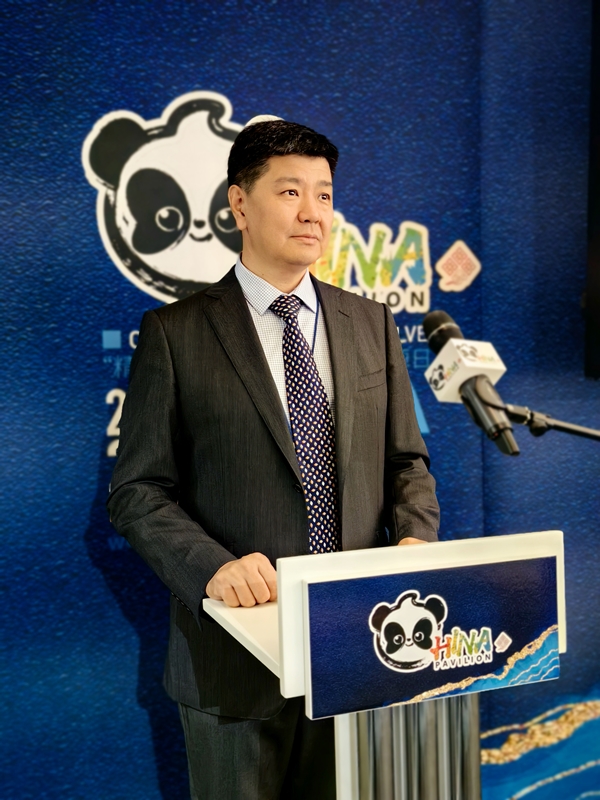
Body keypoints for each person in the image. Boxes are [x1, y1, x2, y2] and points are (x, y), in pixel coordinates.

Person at [107, 118, 440, 800]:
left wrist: (414, 539)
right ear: (239, 204)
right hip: (233, 663)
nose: (313, 212)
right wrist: (212, 568)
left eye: (324, 194)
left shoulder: (370, 323)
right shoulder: (175, 333)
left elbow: (407, 462)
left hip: (358, 646)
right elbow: (138, 490)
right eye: (291, 192)